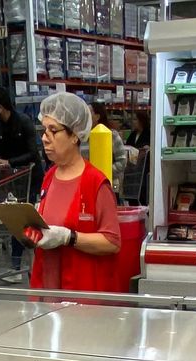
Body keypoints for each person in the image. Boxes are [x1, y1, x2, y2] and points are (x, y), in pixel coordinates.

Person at [22, 91, 123, 292]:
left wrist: (70, 237)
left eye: (53, 130)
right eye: (44, 131)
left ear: (75, 135)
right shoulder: (49, 177)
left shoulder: (95, 183)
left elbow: (112, 242)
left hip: (83, 296)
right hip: (47, 291)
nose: (45, 138)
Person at [0, 86, 40, 276]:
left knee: (23, 222)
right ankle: (19, 266)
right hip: (14, 182)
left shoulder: (24, 123)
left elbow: (33, 154)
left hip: (31, 180)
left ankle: (19, 267)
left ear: (1, 107)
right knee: (16, 223)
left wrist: (10, 162)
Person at [88, 100, 124, 186]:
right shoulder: (83, 137)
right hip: (88, 184)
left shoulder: (112, 135)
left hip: (108, 185)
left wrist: (104, 171)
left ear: (97, 116)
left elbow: (122, 161)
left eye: (88, 113)